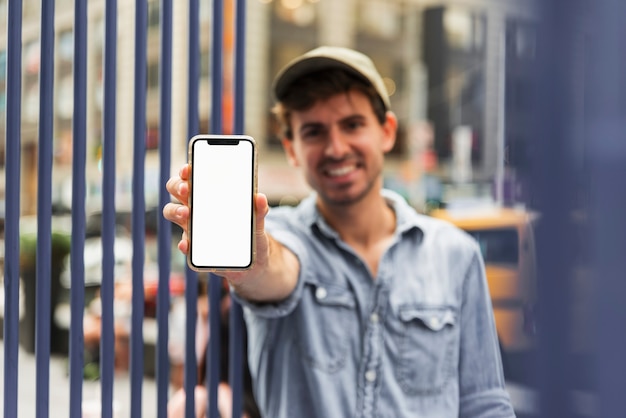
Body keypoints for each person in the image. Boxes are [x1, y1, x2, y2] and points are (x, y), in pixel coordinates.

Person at [164, 46, 515, 417]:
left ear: (387, 131)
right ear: (292, 149)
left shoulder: (455, 253)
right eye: (314, 131)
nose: (336, 148)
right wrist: (249, 265)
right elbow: (274, 270)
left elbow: (485, 402)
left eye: (352, 125)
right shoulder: (280, 235)